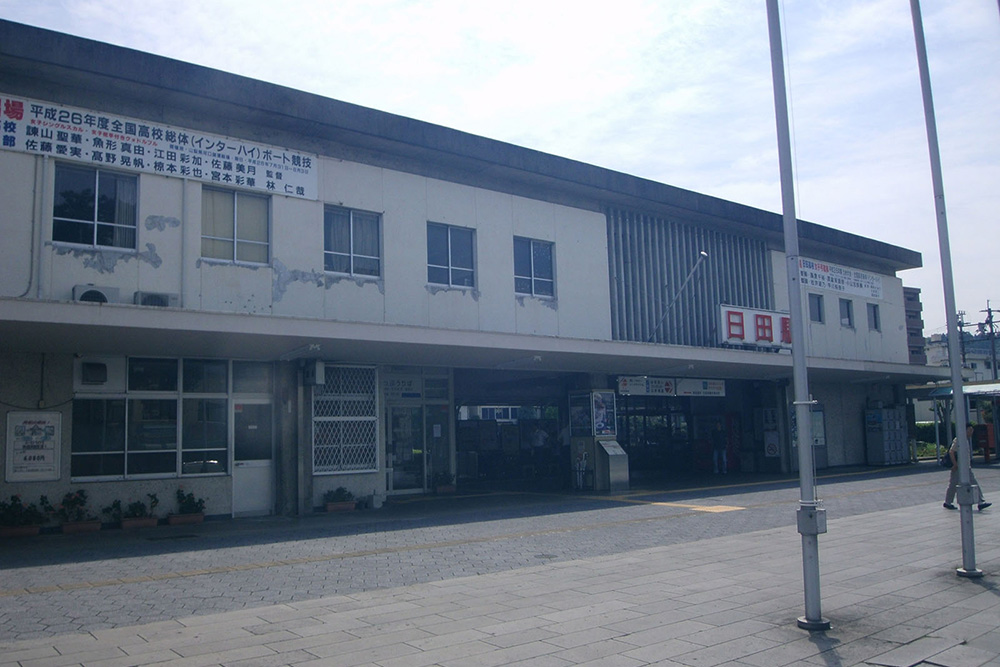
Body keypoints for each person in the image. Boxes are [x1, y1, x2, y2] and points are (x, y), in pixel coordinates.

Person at [944, 424, 992, 511]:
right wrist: (955, 464)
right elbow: (951, 451)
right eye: (969, 430)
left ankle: (981, 502)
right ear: (964, 430)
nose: (971, 432)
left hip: (966, 467)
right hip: (959, 467)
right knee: (953, 485)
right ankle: (948, 502)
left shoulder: (965, 440)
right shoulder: (958, 439)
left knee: (973, 482)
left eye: (972, 430)